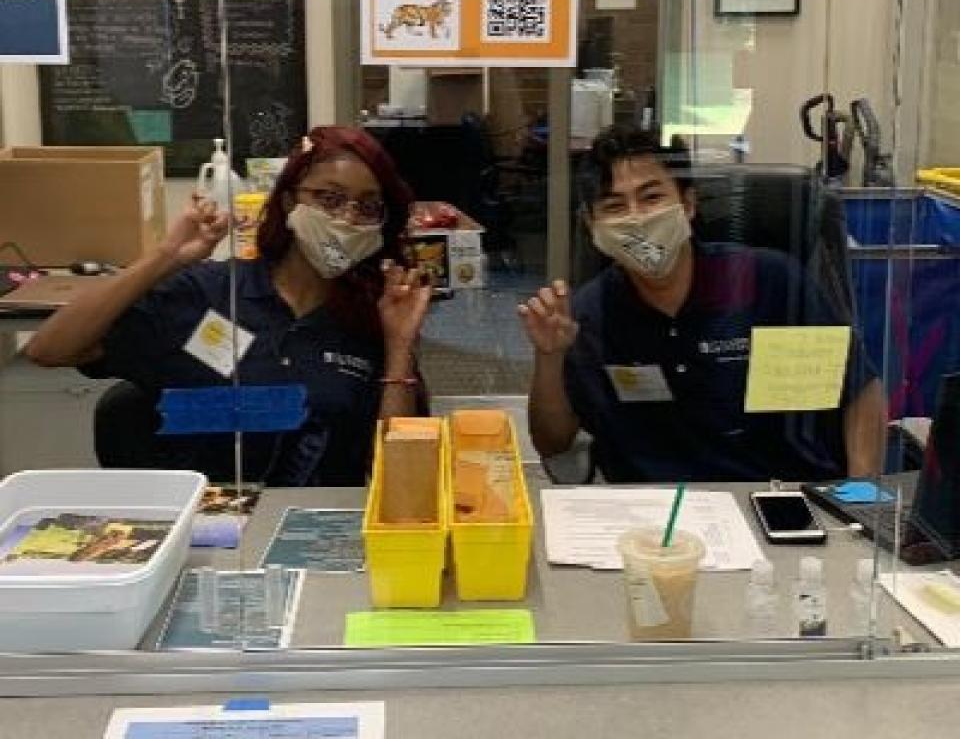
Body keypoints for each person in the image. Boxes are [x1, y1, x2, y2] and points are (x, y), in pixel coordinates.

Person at [25, 126, 432, 487]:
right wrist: (166, 257)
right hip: (203, 525)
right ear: (289, 201)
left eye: (367, 206)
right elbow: (50, 349)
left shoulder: (369, 317)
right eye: (330, 198)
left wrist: (399, 347)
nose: (347, 217)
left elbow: (401, 479)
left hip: (314, 527)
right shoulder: (209, 294)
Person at [517, 126, 886, 483]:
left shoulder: (768, 282)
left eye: (652, 198)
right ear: (591, 224)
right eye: (615, 206)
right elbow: (553, 443)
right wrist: (550, 357)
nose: (636, 218)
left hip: (773, 497)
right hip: (652, 510)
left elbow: (859, 391)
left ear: (688, 204)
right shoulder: (590, 313)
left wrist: (860, 492)